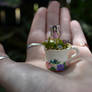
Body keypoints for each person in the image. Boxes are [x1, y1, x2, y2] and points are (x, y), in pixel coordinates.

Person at [0, 1, 92, 92]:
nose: (56, 33)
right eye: (54, 31)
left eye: (57, 31)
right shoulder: (51, 43)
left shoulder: (60, 43)